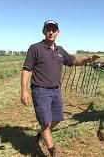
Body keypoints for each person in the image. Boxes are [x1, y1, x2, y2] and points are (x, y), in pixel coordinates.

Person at [20, 20, 99, 156]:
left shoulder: (60, 50)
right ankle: (52, 151)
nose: (51, 32)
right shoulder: (35, 48)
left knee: (57, 118)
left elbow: (73, 61)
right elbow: (26, 70)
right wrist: (24, 91)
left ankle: (40, 135)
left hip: (56, 90)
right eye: (48, 29)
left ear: (58, 32)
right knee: (45, 122)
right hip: (40, 90)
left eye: (54, 29)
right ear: (44, 31)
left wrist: (88, 60)